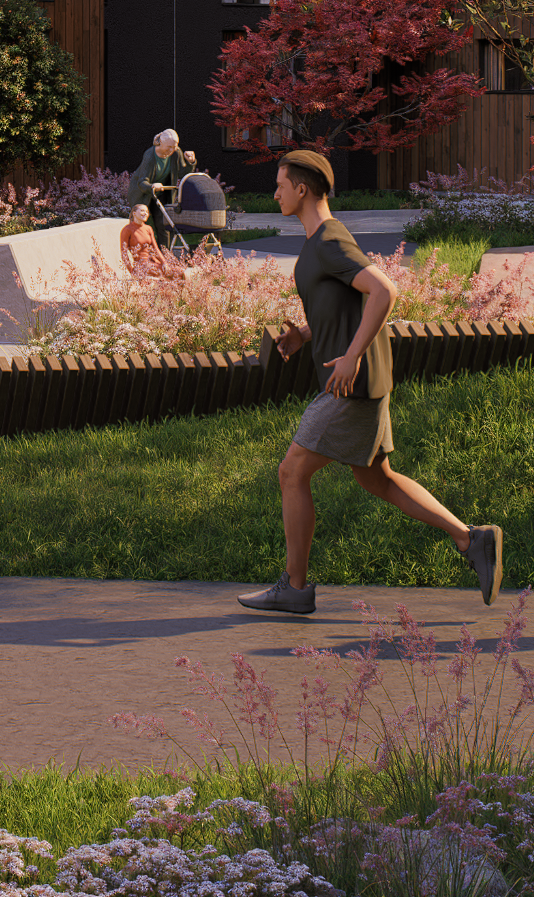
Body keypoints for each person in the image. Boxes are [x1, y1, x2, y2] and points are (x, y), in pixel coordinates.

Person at [240, 148, 503, 615]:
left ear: (302, 189)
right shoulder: (322, 240)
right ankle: (471, 539)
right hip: (365, 381)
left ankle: (294, 588)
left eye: (280, 184)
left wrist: (352, 356)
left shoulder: (328, 241)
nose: (275, 192)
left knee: (291, 471)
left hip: (350, 385)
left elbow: (384, 291)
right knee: (377, 478)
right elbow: (345, 306)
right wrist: (304, 334)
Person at [127, 128, 189, 235]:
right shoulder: (150, 155)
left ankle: (164, 251)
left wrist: (190, 162)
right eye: (169, 147)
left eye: (174, 147)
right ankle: (141, 251)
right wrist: (152, 186)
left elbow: (183, 173)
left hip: (161, 193)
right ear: (161, 143)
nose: (172, 150)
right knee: (141, 227)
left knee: (164, 225)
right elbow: (142, 182)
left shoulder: (176, 152)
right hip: (143, 193)